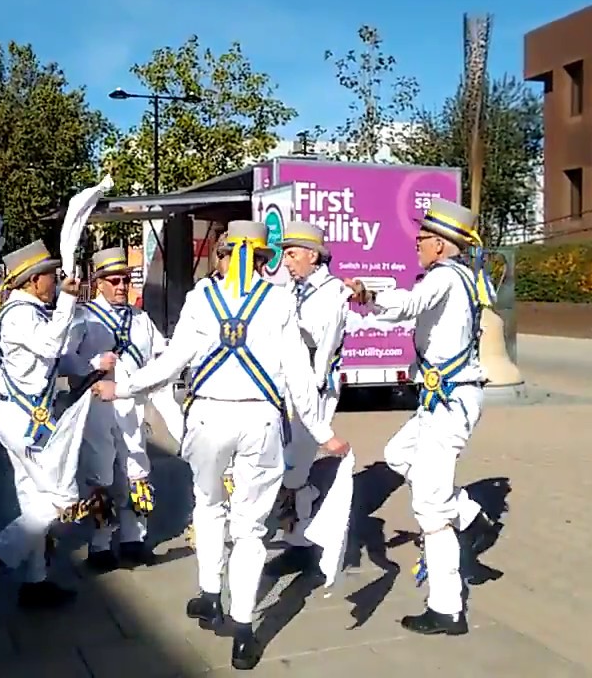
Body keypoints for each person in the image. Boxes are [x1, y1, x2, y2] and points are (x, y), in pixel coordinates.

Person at [92, 221, 348, 670]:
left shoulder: (201, 299)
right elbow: (300, 378)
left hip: (209, 417)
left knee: (209, 506)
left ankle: (210, 593)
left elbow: (171, 363)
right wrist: (323, 432)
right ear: (264, 258)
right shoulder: (279, 300)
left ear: (225, 254)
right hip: (260, 420)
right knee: (250, 527)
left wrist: (125, 387)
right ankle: (243, 628)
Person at [344, 199, 499, 637]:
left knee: (429, 507)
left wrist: (368, 295)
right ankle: (470, 516)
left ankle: (447, 608)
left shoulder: (445, 277)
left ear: (440, 244)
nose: (416, 243)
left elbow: (411, 304)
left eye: (422, 238)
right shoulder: (463, 277)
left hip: (449, 405)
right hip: (443, 402)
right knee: (398, 453)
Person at [0, 239, 83, 609]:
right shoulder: (20, 313)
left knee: (32, 500)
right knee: (64, 496)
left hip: (23, 417)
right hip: (27, 422)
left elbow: (50, 362)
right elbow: (49, 348)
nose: (56, 281)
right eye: (51, 276)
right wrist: (67, 301)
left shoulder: (24, 310)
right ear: (33, 281)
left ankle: (34, 583)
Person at [61, 247, 167, 570]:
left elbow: (163, 353)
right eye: (114, 280)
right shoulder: (84, 317)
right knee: (102, 473)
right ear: (99, 282)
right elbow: (63, 359)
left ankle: (134, 538)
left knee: (136, 468)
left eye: (125, 279)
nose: (122, 286)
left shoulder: (141, 319)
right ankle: (100, 543)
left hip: (132, 406)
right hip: (97, 406)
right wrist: (91, 363)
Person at [270, 220, 351, 576]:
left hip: (313, 388)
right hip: (288, 387)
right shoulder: (292, 289)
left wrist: (287, 327)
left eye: (291, 255)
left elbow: (324, 341)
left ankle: (301, 543)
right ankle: (299, 532)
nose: (285, 262)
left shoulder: (332, 292)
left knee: (295, 463)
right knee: (289, 460)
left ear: (312, 256)